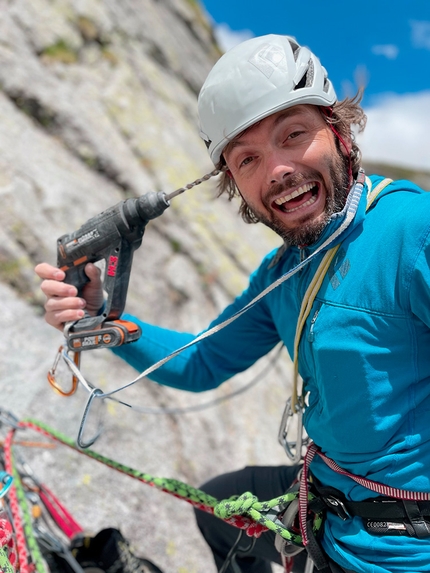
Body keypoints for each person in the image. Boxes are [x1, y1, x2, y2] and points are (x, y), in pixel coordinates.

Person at [35, 34, 430, 573]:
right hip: (326, 505)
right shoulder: (283, 273)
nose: (278, 170)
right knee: (218, 507)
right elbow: (202, 363)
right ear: (235, 186)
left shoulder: (411, 232)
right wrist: (105, 319)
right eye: (248, 160)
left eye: (293, 135)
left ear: (338, 134)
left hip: (398, 550)